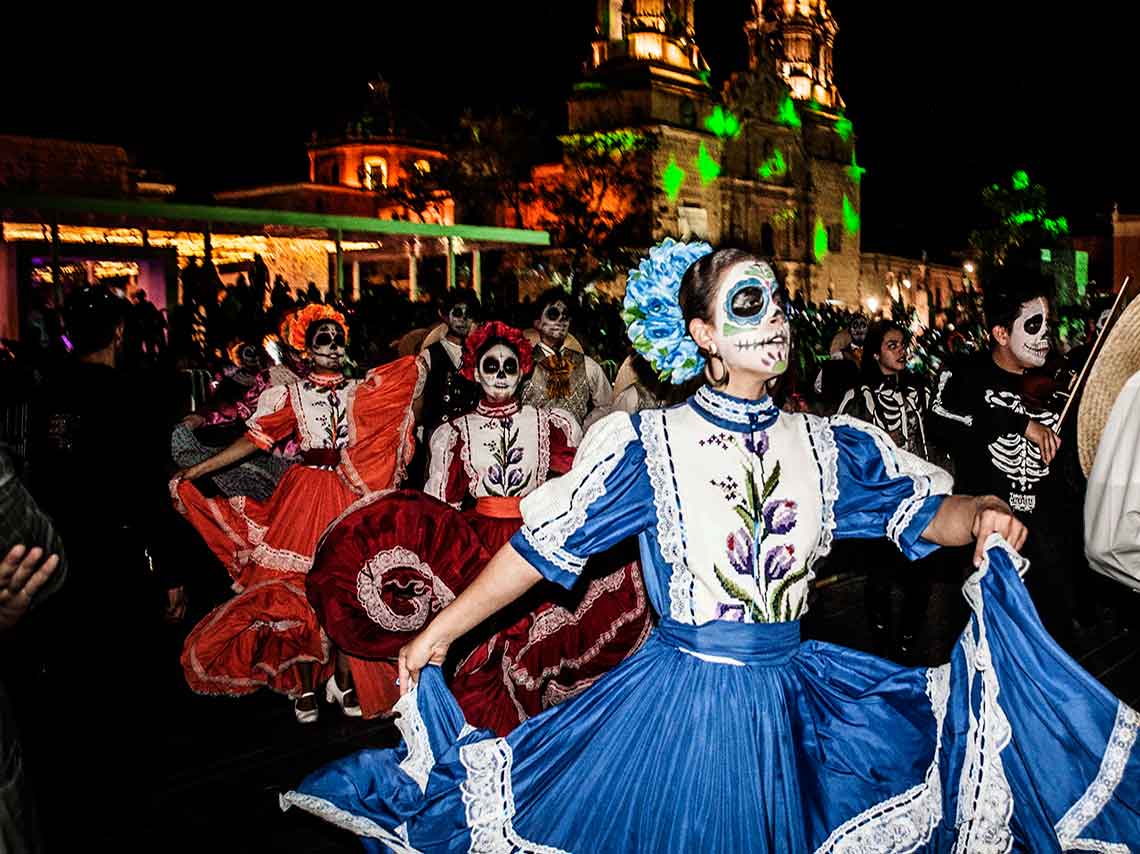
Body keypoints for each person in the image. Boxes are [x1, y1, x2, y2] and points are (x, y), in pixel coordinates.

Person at [283, 240, 1139, 852]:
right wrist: (439, 632)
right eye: (746, 303)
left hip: (796, 698)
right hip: (682, 706)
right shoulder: (647, 447)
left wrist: (982, 512)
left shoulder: (826, 445)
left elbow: (922, 513)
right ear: (700, 335)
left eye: (776, 300)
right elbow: (543, 552)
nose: (772, 320)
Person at [306, 322, 649, 735]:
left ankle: (536, 737)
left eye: (509, 365)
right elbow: (440, 505)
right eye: (492, 365)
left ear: (523, 371)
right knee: (481, 645)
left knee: (537, 646)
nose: (501, 374)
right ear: (476, 373)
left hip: (532, 540)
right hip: (477, 546)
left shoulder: (552, 424)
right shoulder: (453, 433)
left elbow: (574, 488)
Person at [172, 304, 423, 723]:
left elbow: (410, 381)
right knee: (299, 593)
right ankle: (305, 682)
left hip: (349, 494)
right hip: (305, 498)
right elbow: (254, 440)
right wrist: (198, 469)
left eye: (336, 339)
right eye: (321, 339)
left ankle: (344, 678)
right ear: (306, 349)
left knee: (350, 587)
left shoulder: (359, 391)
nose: (330, 346)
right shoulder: (292, 394)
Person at [930, 265, 1074, 646]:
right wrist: (1020, 422)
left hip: (1048, 548)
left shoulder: (1059, 384)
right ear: (1000, 333)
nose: (1046, 337)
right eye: (1033, 325)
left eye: (1048, 325)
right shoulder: (963, 374)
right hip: (987, 545)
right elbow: (941, 414)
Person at [837, 320, 938, 661]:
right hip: (881, 497)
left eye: (903, 344)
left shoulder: (919, 391)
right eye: (893, 345)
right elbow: (842, 441)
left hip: (919, 491)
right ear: (877, 351)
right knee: (880, 573)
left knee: (921, 572)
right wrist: (879, 445)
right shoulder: (859, 395)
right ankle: (882, 643)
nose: (901, 351)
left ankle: (910, 638)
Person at [519, 288, 612, 427]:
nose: (561, 320)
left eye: (565, 315)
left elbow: (607, 405)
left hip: (576, 446)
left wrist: (585, 428)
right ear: (537, 323)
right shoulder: (522, 364)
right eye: (553, 314)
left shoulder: (587, 365)